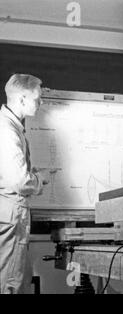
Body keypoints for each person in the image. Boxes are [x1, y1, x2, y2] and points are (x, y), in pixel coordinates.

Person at [0, 74, 50, 293]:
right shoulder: (7, 131)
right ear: (21, 99)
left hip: (11, 215)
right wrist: (40, 179)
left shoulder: (11, 126)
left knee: (15, 278)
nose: (41, 103)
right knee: (11, 282)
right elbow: (19, 181)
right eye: (37, 99)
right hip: (11, 215)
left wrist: (32, 173)